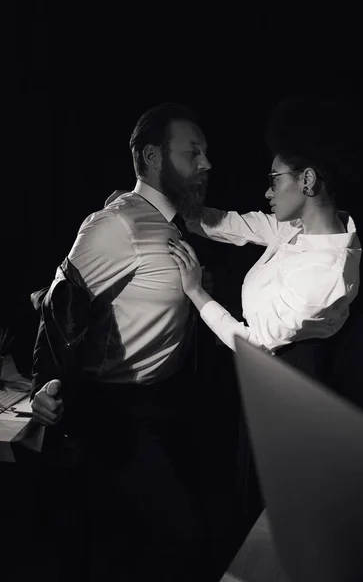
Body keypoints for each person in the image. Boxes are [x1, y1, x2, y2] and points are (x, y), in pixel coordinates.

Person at [30, 103, 222, 581]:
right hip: (117, 411)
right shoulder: (117, 224)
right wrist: (47, 381)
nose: (206, 163)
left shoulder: (173, 223)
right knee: (179, 539)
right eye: (193, 152)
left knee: (153, 542)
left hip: (166, 403)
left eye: (205, 152)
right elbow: (59, 303)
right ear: (153, 156)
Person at [169, 95, 362, 363]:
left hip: (285, 374)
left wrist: (195, 291)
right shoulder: (299, 228)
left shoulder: (324, 274)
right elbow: (238, 225)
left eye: (274, 180)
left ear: (307, 179)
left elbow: (254, 344)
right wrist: (181, 206)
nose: (267, 193)